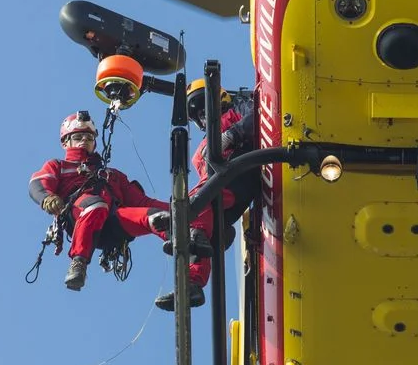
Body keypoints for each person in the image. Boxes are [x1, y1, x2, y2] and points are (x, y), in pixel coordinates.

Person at [29, 111, 209, 306]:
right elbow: (38, 183)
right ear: (66, 142)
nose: (83, 141)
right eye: (78, 137)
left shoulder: (112, 176)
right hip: (80, 217)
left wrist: (185, 212)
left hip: (115, 221)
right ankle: (78, 263)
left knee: (162, 218)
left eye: (88, 138)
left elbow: (141, 202)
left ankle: (193, 283)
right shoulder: (59, 166)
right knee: (95, 204)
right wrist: (47, 199)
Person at [148, 81, 258, 312]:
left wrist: (233, 134)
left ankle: (194, 233)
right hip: (222, 193)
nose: (203, 118)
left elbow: (261, 116)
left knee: (193, 204)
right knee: (198, 224)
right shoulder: (204, 146)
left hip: (240, 174)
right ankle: (192, 284)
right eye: (198, 116)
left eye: (204, 110)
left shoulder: (239, 109)